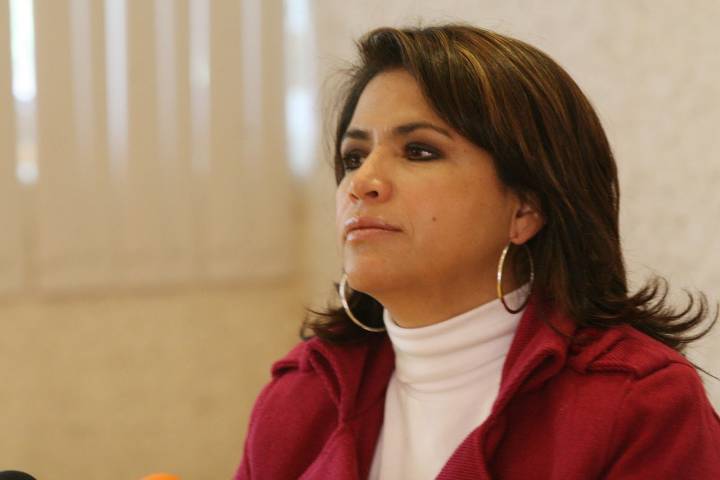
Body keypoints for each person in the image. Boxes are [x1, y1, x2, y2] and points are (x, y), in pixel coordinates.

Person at [235, 24, 720, 479]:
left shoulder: (641, 402)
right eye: (353, 157)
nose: (362, 182)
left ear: (525, 209)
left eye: (419, 151)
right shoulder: (300, 395)